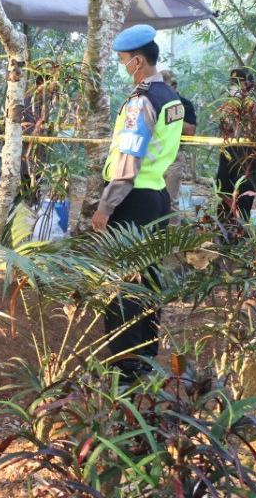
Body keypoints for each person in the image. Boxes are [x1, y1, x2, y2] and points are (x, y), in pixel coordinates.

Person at [91, 24, 184, 377]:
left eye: (123, 60)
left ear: (139, 61)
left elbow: (128, 160)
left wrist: (105, 206)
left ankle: (125, 362)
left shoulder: (141, 101)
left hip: (131, 198)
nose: (121, 65)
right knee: (148, 275)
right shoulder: (171, 99)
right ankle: (145, 351)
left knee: (124, 279)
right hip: (156, 196)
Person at [215, 67, 256, 223]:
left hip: (248, 153)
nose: (235, 89)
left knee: (244, 195)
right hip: (228, 150)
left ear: (249, 84)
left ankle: (239, 231)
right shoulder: (228, 101)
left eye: (239, 84)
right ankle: (223, 232)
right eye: (233, 84)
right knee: (224, 190)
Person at [158, 69, 197, 209]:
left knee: (170, 202)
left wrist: (171, 112)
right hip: (152, 155)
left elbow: (190, 131)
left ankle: (172, 230)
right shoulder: (152, 102)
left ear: (173, 86)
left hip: (174, 155)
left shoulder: (184, 104)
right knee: (151, 199)